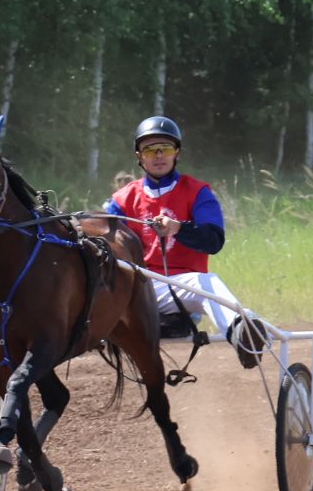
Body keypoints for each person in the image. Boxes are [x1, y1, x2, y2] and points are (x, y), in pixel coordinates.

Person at [104, 116, 267, 369]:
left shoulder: (198, 192)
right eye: (150, 149)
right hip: (137, 285)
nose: (159, 155)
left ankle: (242, 335)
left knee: (207, 282)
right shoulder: (122, 199)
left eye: (166, 148)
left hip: (183, 285)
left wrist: (178, 228)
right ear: (139, 156)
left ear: (176, 152)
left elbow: (213, 241)